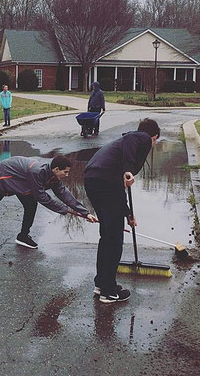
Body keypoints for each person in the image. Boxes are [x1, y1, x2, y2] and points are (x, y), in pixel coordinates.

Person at [84, 118, 160, 304]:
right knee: (114, 240)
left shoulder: (120, 149)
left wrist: (128, 214)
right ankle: (108, 292)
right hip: (105, 183)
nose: (153, 144)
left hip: (93, 180)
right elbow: (132, 140)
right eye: (155, 141)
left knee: (107, 236)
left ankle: (102, 284)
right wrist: (128, 170)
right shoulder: (140, 138)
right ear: (154, 136)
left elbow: (119, 190)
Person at [0, 155, 97, 247]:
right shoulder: (37, 172)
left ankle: (23, 236)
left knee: (30, 205)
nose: (66, 175)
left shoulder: (53, 177)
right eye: (65, 172)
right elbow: (42, 197)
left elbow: (64, 194)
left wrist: (85, 213)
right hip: (4, 175)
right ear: (56, 169)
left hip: (22, 182)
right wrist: (63, 210)